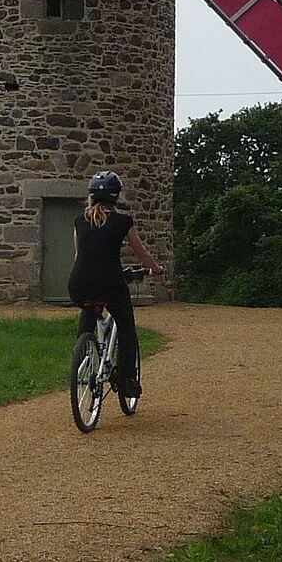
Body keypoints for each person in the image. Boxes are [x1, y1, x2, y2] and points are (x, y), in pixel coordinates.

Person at [68, 170, 163, 398]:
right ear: (116, 197)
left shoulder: (80, 221)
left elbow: (79, 254)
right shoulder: (122, 221)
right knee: (126, 325)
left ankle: (82, 356)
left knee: (89, 309)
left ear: (91, 196)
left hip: (79, 282)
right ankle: (127, 378)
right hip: (111, 282)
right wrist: (156, 269)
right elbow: (140, 253)